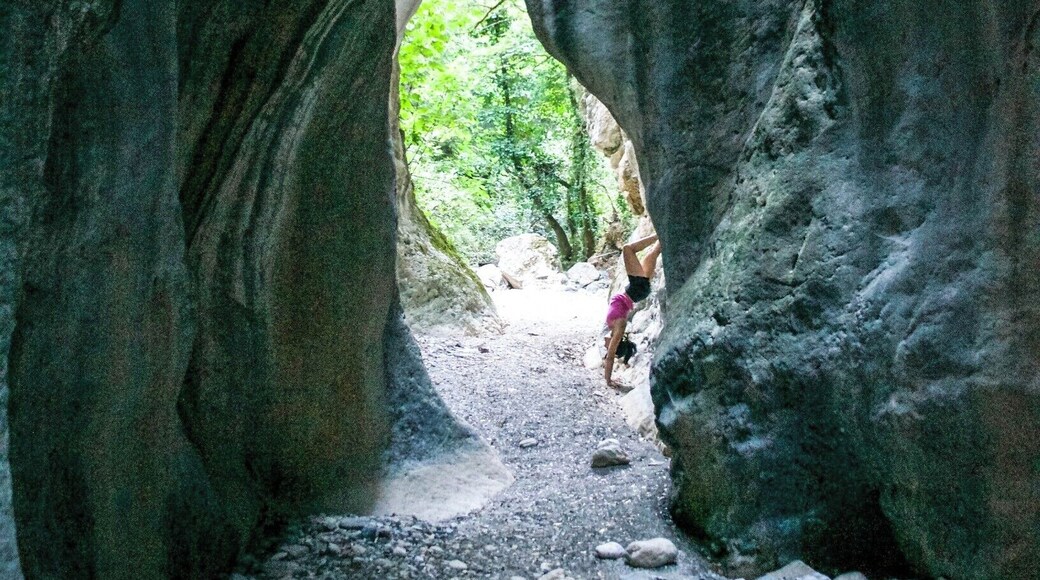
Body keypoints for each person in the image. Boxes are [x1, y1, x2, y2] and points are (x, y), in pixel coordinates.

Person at [604, 234, 661, 388]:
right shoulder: (619, 327)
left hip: (639, 290)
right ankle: (658, 234)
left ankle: (664, 234)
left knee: (653, 253)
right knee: (628, 249)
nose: (606, 345)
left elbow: (608, 353)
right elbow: (610, 357)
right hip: (637, 288)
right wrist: (608, 380)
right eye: (608, 345)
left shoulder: (611, 328)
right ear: (616, 344)